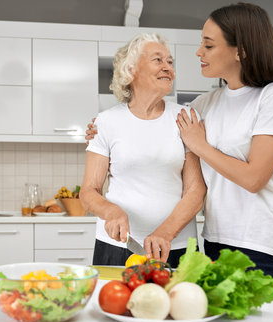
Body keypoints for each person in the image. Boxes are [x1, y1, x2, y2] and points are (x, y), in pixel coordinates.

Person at [86, 3, 273, 284]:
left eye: (208, 46)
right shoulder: (202, 105)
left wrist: (200, 145)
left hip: (264, 240)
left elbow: (252, 179)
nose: (197, 53)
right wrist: (100, 129)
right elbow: (143, 129)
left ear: (240, 50)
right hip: (217, 238)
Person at [80, 33, 206, 268]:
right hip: (119, 246)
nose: (168, 67)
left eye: (170, 62)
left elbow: (195, 190)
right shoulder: (106, 122)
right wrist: (110, 212)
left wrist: (165, 233)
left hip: (175, 245)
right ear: (131, 70)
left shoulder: (186, 118)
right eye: (158, 60)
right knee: (115, 305)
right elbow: (89, 191)